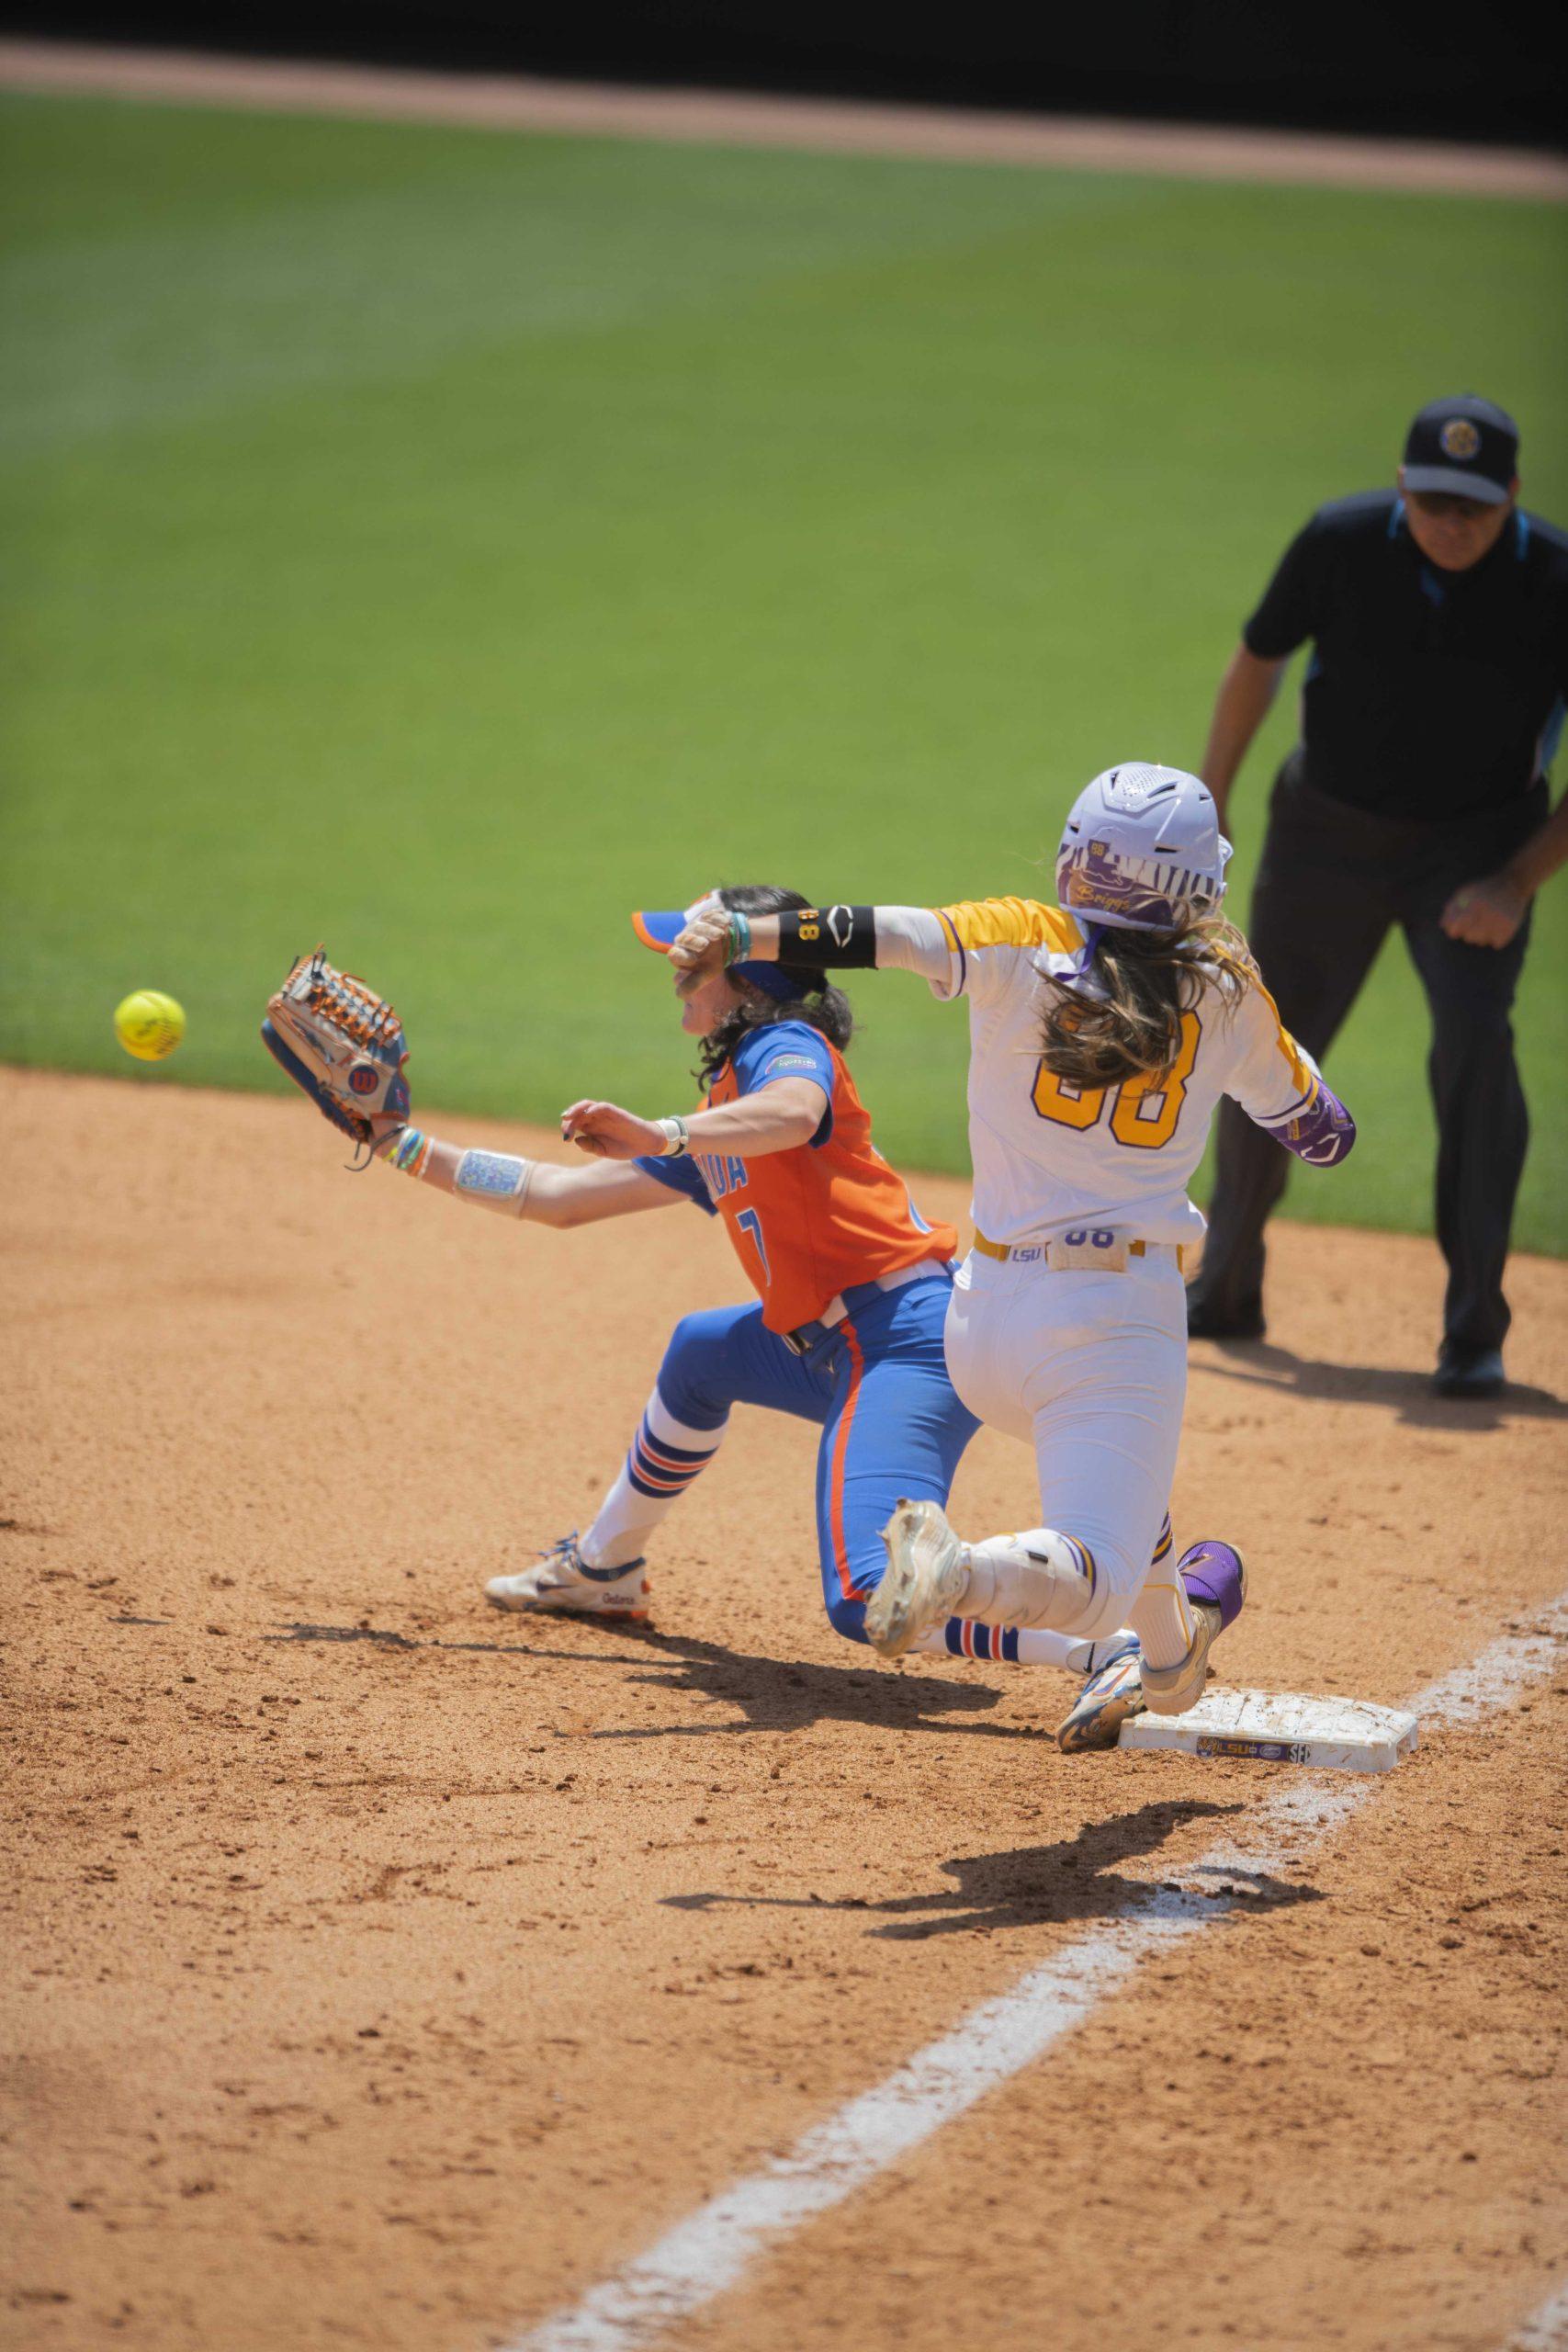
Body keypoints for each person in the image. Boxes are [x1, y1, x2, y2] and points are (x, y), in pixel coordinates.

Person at [370, 885, 1163, 1752]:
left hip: (898, 1342)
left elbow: (797, 1112)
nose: (675, 971)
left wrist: (664, 1132)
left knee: (865, 1597)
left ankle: (1097, 1647)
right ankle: (604, 1569)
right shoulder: (721, 1111)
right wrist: (398, 1143)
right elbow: (553, 1197)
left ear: (748, 977)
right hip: (831, 1343)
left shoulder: (787, 1046)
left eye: (695, 960)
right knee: (702, 1352)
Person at [670, 767, 1356, 1720]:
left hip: (980, 1324)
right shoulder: (1227, 995)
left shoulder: (1019, 938)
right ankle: (963, 1571)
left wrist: (750, 934)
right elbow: (1324, 1135)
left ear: (1079, 859)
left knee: (1131, 1497)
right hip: (1111, 1329)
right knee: (1097, 1576)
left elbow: (874, 933)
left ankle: (1170, 1657)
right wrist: (1248, 1032)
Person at [1186, 394, 1568, 1397]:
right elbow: (1257, 665)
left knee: (1478, 1058)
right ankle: (1225, 1288)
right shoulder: (1342, 542)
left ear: (1514, 498)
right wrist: (1210, 802)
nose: (1452, 523)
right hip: (1327, 836)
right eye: (1435, 500)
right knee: (1261, 1048)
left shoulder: (1557, 579)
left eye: (1475, 508)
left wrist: (1517, 879)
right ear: (1403, 487)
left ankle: (1474, 1331)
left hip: (1479, 849)